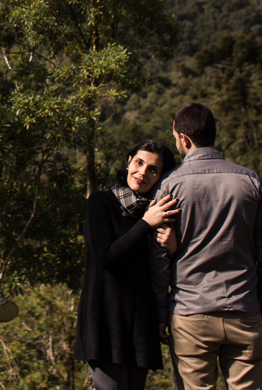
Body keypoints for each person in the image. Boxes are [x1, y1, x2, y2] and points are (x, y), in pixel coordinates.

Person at [150, 102, 262, 390]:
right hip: (244, 308)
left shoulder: (169, 185)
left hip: (190, 312)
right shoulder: (250, 180)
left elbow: (159, 259)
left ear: (184, 139)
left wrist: (160, 313)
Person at [76, 139, 180, 390]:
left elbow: (158, 270)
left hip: (141, 323)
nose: (142, 172)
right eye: (139, 162)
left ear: (161, 176)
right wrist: (146, 223)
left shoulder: (158, 212)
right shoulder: (101, 202)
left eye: (153, 169)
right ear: (129, 162)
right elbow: (106, 257)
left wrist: (173, 248)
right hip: (105, 323)